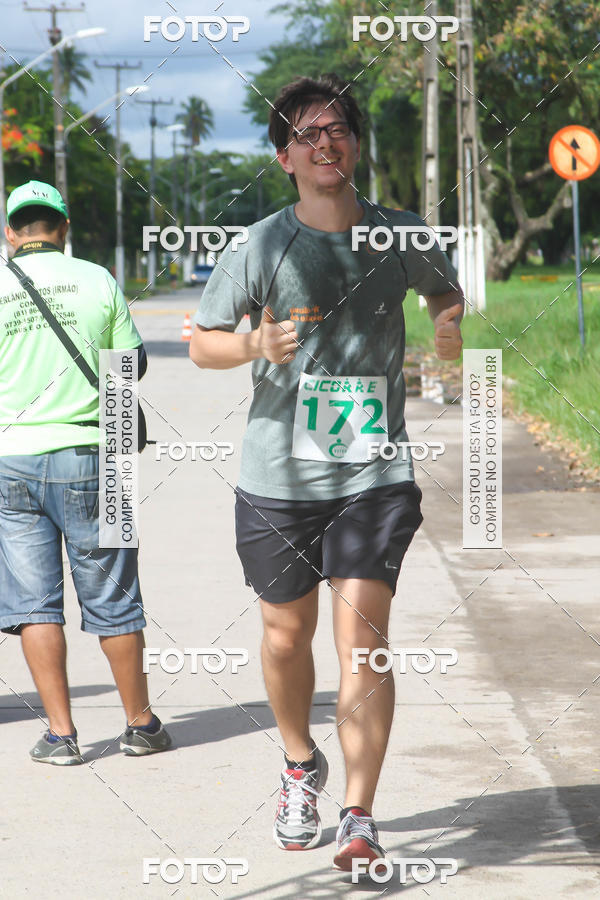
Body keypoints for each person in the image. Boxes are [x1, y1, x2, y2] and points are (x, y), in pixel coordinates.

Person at [189, 74, 463, 870]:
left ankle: (358, 813)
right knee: (285, 636)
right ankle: (299, 762)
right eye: (307, 134)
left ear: (354, 143)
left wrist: (447, 324)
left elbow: (445, 291)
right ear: (284, 156)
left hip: (374, 476)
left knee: (363, 642)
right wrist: (250, 346)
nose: (325, 143)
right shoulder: (261, 246)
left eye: (337, 128)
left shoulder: (399, 234)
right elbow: (203, 341)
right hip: (277, 476)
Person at [0, 180, 171, 765]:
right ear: (63, 229)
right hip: (99, 460)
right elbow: (129, 370)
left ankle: (62, 735)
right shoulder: (98, 279)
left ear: (11, 233)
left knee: (34, 605)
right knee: (115, 597)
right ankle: (141, 725)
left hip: (12, 461)